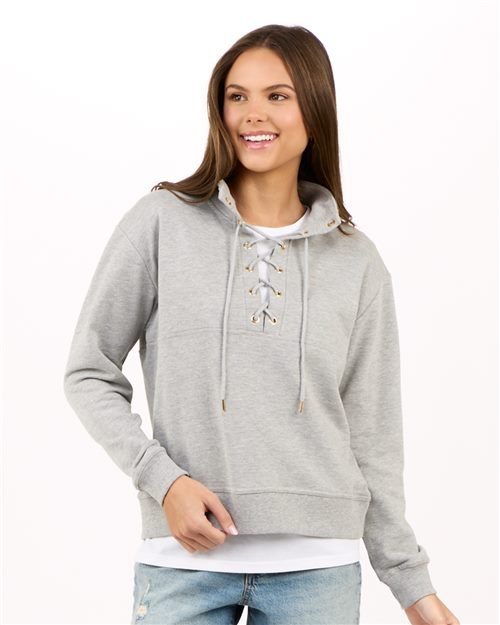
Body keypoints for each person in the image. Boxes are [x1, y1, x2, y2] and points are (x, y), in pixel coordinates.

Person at [63, 24, 460, 625]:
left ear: (314, 110)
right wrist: (163, 482)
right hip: (183, 565)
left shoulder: (357, 261)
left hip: (318, 573)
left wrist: (411, 584)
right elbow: (88, 372)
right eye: (237, 96)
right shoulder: (161, 223)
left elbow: (372, 438)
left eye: (278, 95)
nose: (253, 113)